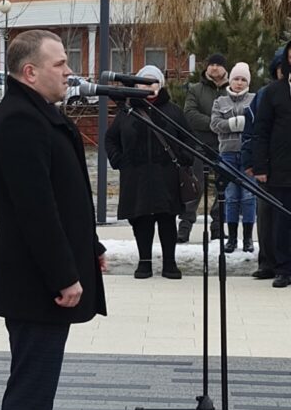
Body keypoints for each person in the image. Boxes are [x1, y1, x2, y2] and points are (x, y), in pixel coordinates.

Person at [0, 29, 106, 410]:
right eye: (60, 63)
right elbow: (35, 210)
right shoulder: (19, 122)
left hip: (45, 279)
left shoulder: (38, 113)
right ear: (30, 71)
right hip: (35, 283)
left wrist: (90, 247)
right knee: (31, 390)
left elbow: (65, 194)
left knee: (38, 387)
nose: (69, 71)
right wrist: (64, 275)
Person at [106, 65, 192, 280]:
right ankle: (144, 262)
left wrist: (183, 158)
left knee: (167, 218)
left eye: (153, 82)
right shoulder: (127, 111)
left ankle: (170, 262)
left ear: (160, 84)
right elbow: (111, 139)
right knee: (141, 219)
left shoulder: (173, 111)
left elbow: (188, 139)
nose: (148, 86)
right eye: (143, 82)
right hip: (136, 176)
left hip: (166, 175)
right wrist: (119, 160)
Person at [241, 49, 285, 279]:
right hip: (267, 167)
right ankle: (267, 262)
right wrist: (251, 162)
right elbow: (252, 131)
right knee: (266, 215)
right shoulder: (264, 95)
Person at [251, 43, 291, 288]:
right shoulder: (273, 92)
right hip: (281, 167)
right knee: (281, 221)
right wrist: (260, 167)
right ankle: (283, 268)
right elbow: (261, 131)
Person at [181, 53, 229, 241]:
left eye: (218, 64)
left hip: (224, 146)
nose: (214, 68)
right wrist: (216, 123)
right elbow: (189, 114)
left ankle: (218, 226)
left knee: (223, 188)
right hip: (199, 145)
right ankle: (185, 226)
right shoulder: (195, 89)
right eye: (211, 64)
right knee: (195, 186)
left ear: (225, 68)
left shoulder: (231, 91)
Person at [210, 62, 256, 254]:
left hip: (248, 154)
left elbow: (258, 123)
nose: (239, 82)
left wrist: (243, 124)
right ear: (230, 80)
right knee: (231, 197)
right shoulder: (220, 102)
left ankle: (248, 238)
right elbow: (215, 124)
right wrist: (235, 123)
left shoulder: (254, 99)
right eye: (236, 78)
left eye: (243, 79)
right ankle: (231, 238)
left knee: (248, 196)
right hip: (227, 154)